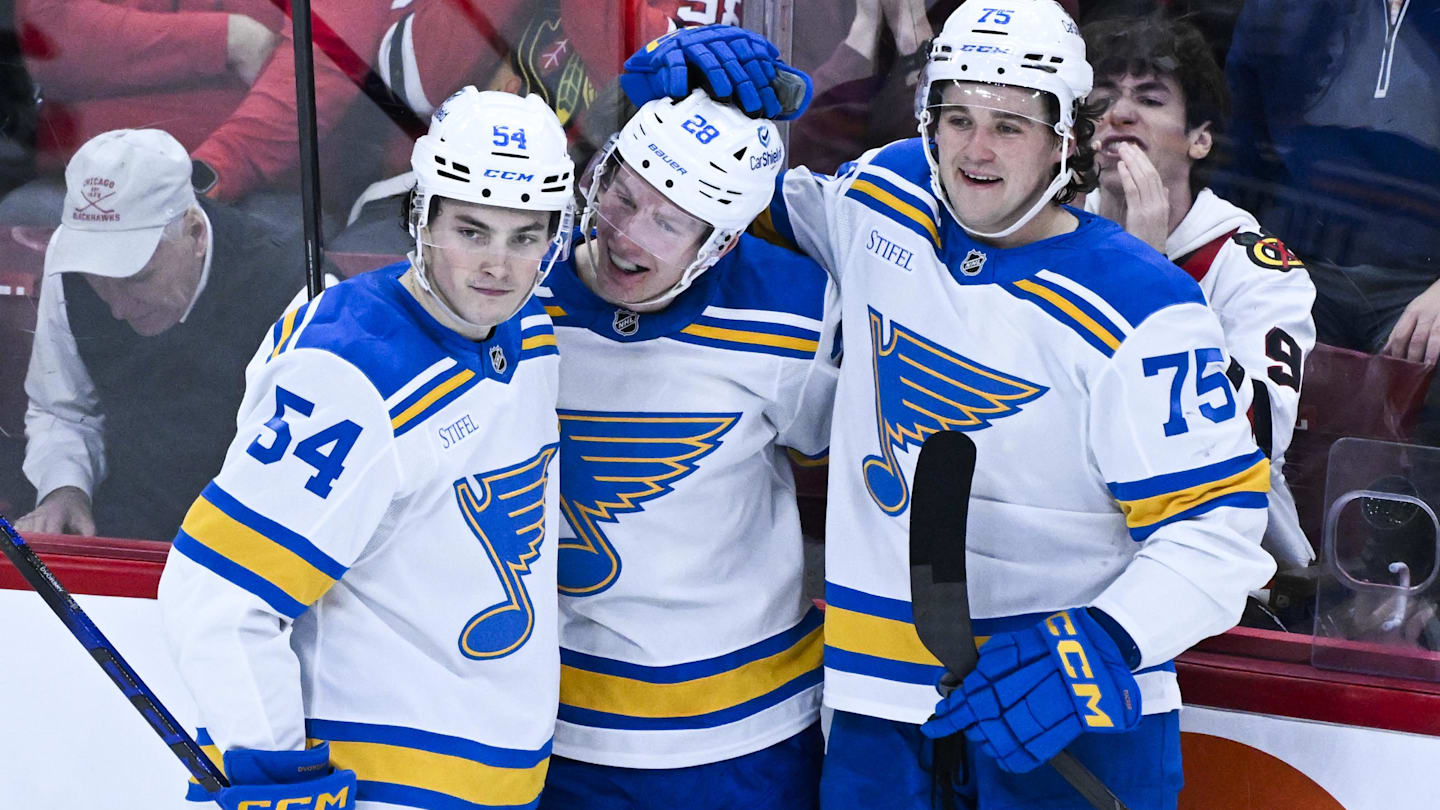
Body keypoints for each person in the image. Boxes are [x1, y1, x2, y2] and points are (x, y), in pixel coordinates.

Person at [628, 4, 1276, 806]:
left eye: (1010, 125)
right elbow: (728, 210)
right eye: (956, 117)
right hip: (878, 717)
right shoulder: (882, 194)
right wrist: (694, 99)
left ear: (1065, 137)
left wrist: (1105, 641)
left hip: (1067, 722)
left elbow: (1218, 534)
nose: (975, 149)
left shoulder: (1145, 305)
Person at [157, 87, 572, 809]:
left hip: (499, 778)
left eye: (524, 237)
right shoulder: (350, 374)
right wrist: (274, 777)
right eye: (471, 231)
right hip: (383, 783)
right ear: (421, 218)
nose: (498, 267)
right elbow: (218, 597)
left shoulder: (529, 330)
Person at [535, 90, 839, 809]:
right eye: (621, 196)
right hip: (551, 723)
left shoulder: (793, 308)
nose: (627, 235)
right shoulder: (514, 295)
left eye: (669, 221)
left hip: (745, 735)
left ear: (724, 242)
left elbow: (845, 456)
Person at [1081, 15, 1317, 569]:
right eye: (1103, 98)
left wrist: (1152, 280)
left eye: (1150, 98)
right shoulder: (1048, 231)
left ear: (1200, 139)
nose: (1119, 114)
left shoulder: (1255, 269)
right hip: (1068, 529)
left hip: (1218, 555)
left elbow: (1259, 435)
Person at [16, 128, 302, 541]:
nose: (116, 307)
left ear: (194, 234)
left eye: (137, 278)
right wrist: (64, 490)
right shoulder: (70, 265)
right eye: (98, 281)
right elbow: (63, 409)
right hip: (123, 526)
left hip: (259, 541)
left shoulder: (294, 289)